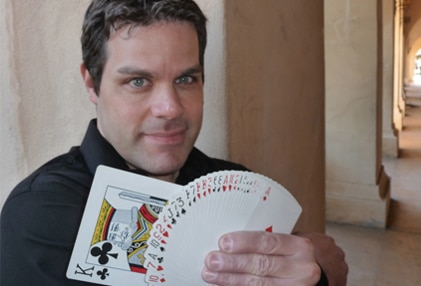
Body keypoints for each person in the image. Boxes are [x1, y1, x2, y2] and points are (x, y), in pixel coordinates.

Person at [0, 0, 348, 285]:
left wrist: (313, 278)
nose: (170, 108)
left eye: (186, 78)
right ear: (92, 84)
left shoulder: (237, 190)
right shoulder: (40, 215)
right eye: (138, 81)